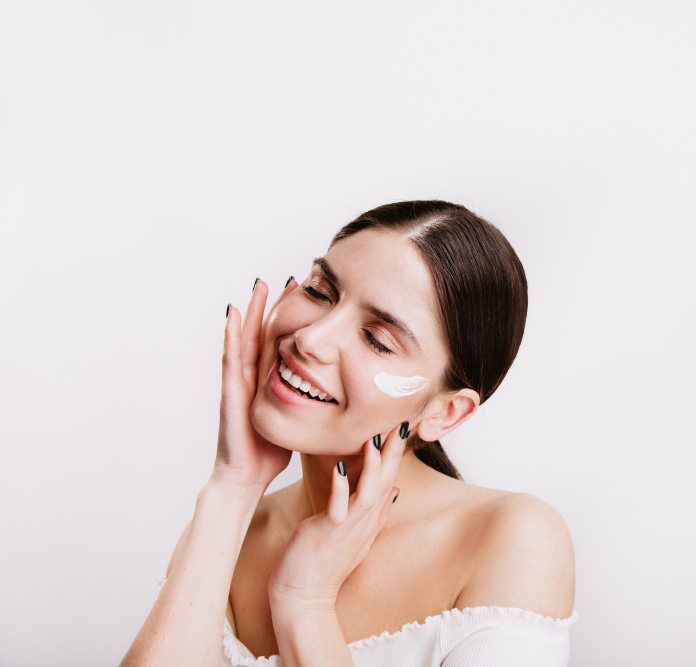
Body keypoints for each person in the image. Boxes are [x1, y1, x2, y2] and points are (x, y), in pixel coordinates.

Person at [120, 201, 577, 667]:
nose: (311, 339)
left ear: (445, 413)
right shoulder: (229, 533)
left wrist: (306, 603)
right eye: (320, 291)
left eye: (378, 339)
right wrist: (232, 487)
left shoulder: (513, 539)